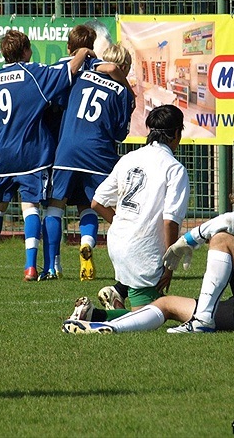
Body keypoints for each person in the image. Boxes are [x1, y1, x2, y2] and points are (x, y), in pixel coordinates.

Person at [62, 175, 234, 334]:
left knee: (222, 238)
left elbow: (230, 220)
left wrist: (188, 241)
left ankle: (202, 319)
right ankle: (105, 326)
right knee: (167, 303)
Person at [0, 29, 96, 281]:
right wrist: (82, 52)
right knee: (30, 207)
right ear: (27, 50)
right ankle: (30, 266)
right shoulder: (34, 73)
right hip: (32, 150)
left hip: (4, 150)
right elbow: (67, 72)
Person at [64, 104, 190, 322]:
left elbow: (97, 202)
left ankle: (117, 292)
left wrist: (122, 223)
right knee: (150, 315)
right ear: (177, 133)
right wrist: (169, 264)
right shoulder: (174, 168)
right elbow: (170, 222)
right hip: (144, 250)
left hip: (118, 242)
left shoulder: (129, 158)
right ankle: (93, 314)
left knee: (154, 307)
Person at [40, 44, 136, 282]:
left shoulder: (83, 72)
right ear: (124, 68)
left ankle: (51, 266)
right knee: (95, 204)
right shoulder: (123, 93)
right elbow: (119, 135)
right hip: (97, 154)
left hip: (67, 150)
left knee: (55, 206)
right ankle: (91, 246)